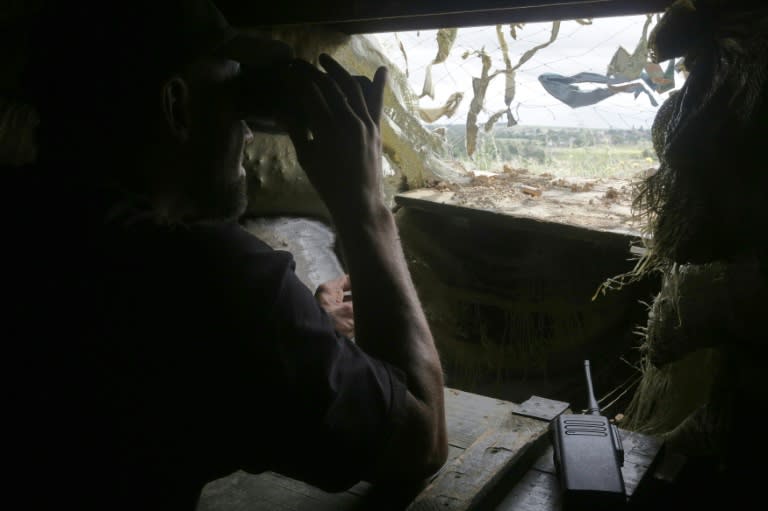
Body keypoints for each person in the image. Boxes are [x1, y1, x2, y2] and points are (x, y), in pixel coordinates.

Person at [7, 0, 447, 509]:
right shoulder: (208, 277)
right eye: (232, 98)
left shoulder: (33, 222)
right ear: (176, 105)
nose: (246, 131)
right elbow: (422, 442)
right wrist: (365, 205)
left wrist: (301, 329)